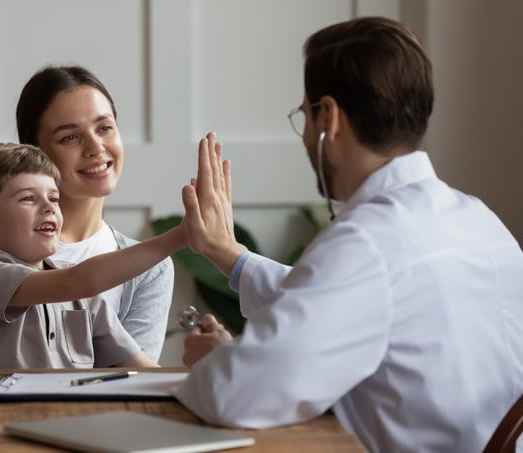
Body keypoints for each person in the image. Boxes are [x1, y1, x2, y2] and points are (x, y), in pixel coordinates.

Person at [175, 17, 523, 452]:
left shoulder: (367, 242)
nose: (304, 134)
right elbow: (342, 301)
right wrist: (228, 253)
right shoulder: (478, 219)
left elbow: (236, 394)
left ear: (330, 118)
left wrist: (215, 361)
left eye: (304, 115)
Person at [0, 66, 174, 371]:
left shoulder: (150, 270)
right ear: (35, 151)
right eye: (70, 137)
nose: (96, 148)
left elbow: (136, 378)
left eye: (104, 127)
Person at [0, 143, 182, 369]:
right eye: (28, 198)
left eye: (54, 198)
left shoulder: (82, 296)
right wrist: (181, 236)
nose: (49, 207)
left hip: (68, 411)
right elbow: (80, 280)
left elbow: (141, 366)